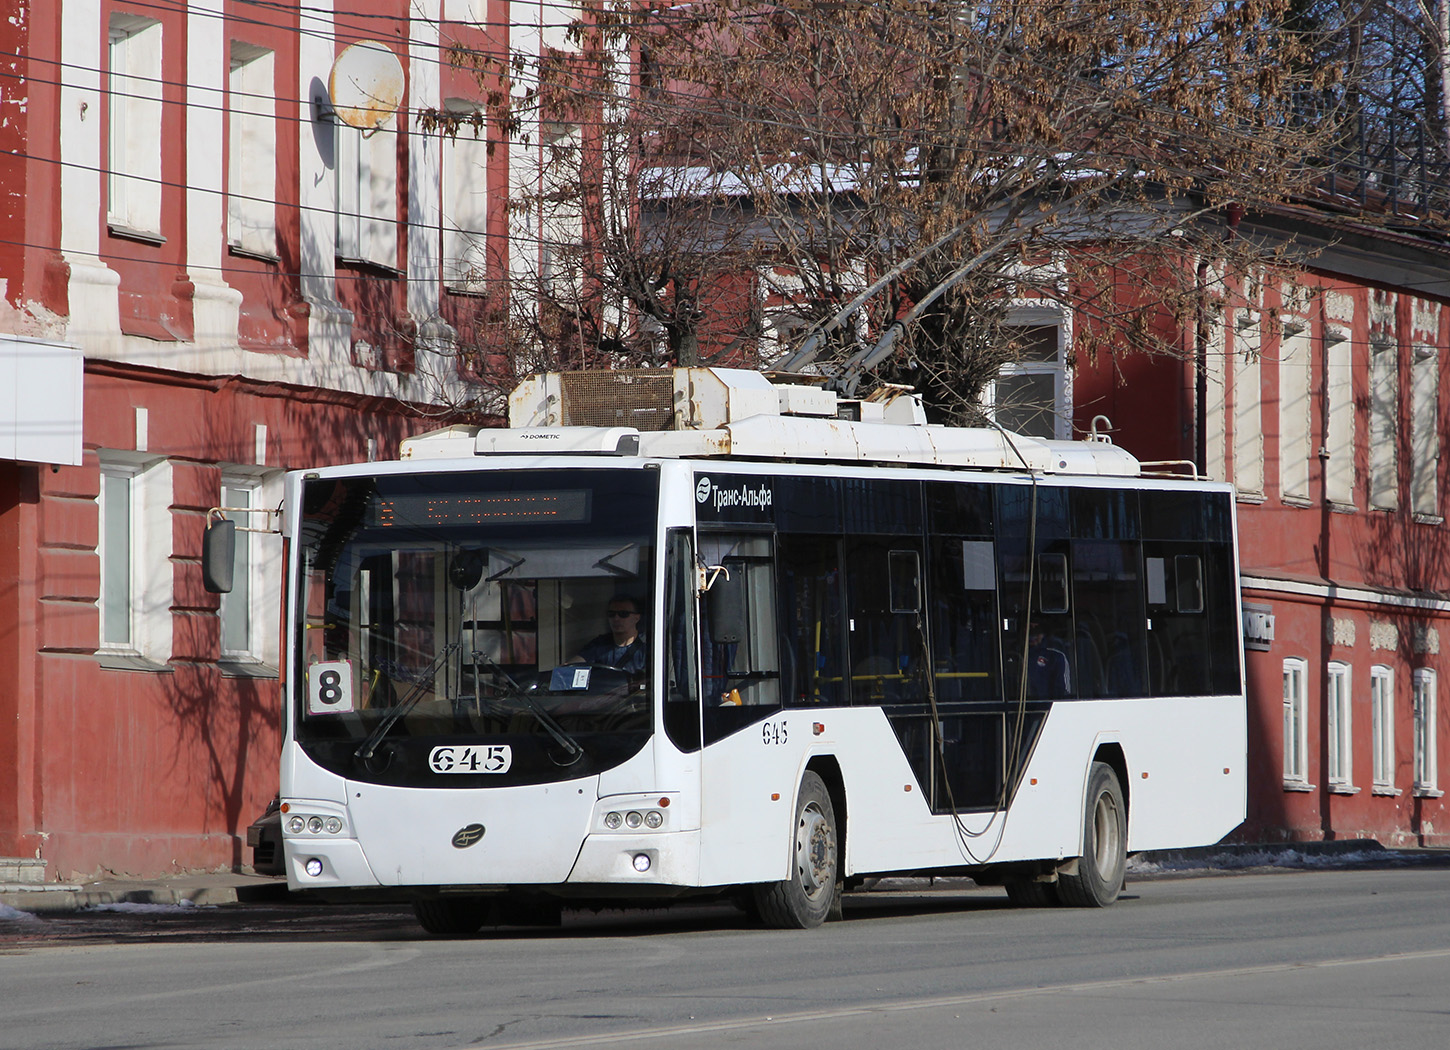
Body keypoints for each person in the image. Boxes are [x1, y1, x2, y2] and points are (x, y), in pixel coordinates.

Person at [575, 595, 648, 676]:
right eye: (611, 614)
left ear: (637, 618)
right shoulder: (599, 644)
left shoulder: (647, 648)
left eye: (623, 614)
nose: (616, 618)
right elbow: (571, 666)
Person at [1026, 621, 1071, 699]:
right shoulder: (1014, 653)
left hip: (1047, 708)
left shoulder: (1055, 655)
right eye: (1029, 629)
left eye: (1037, 630)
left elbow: (1064, 691)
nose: (1032, 635)